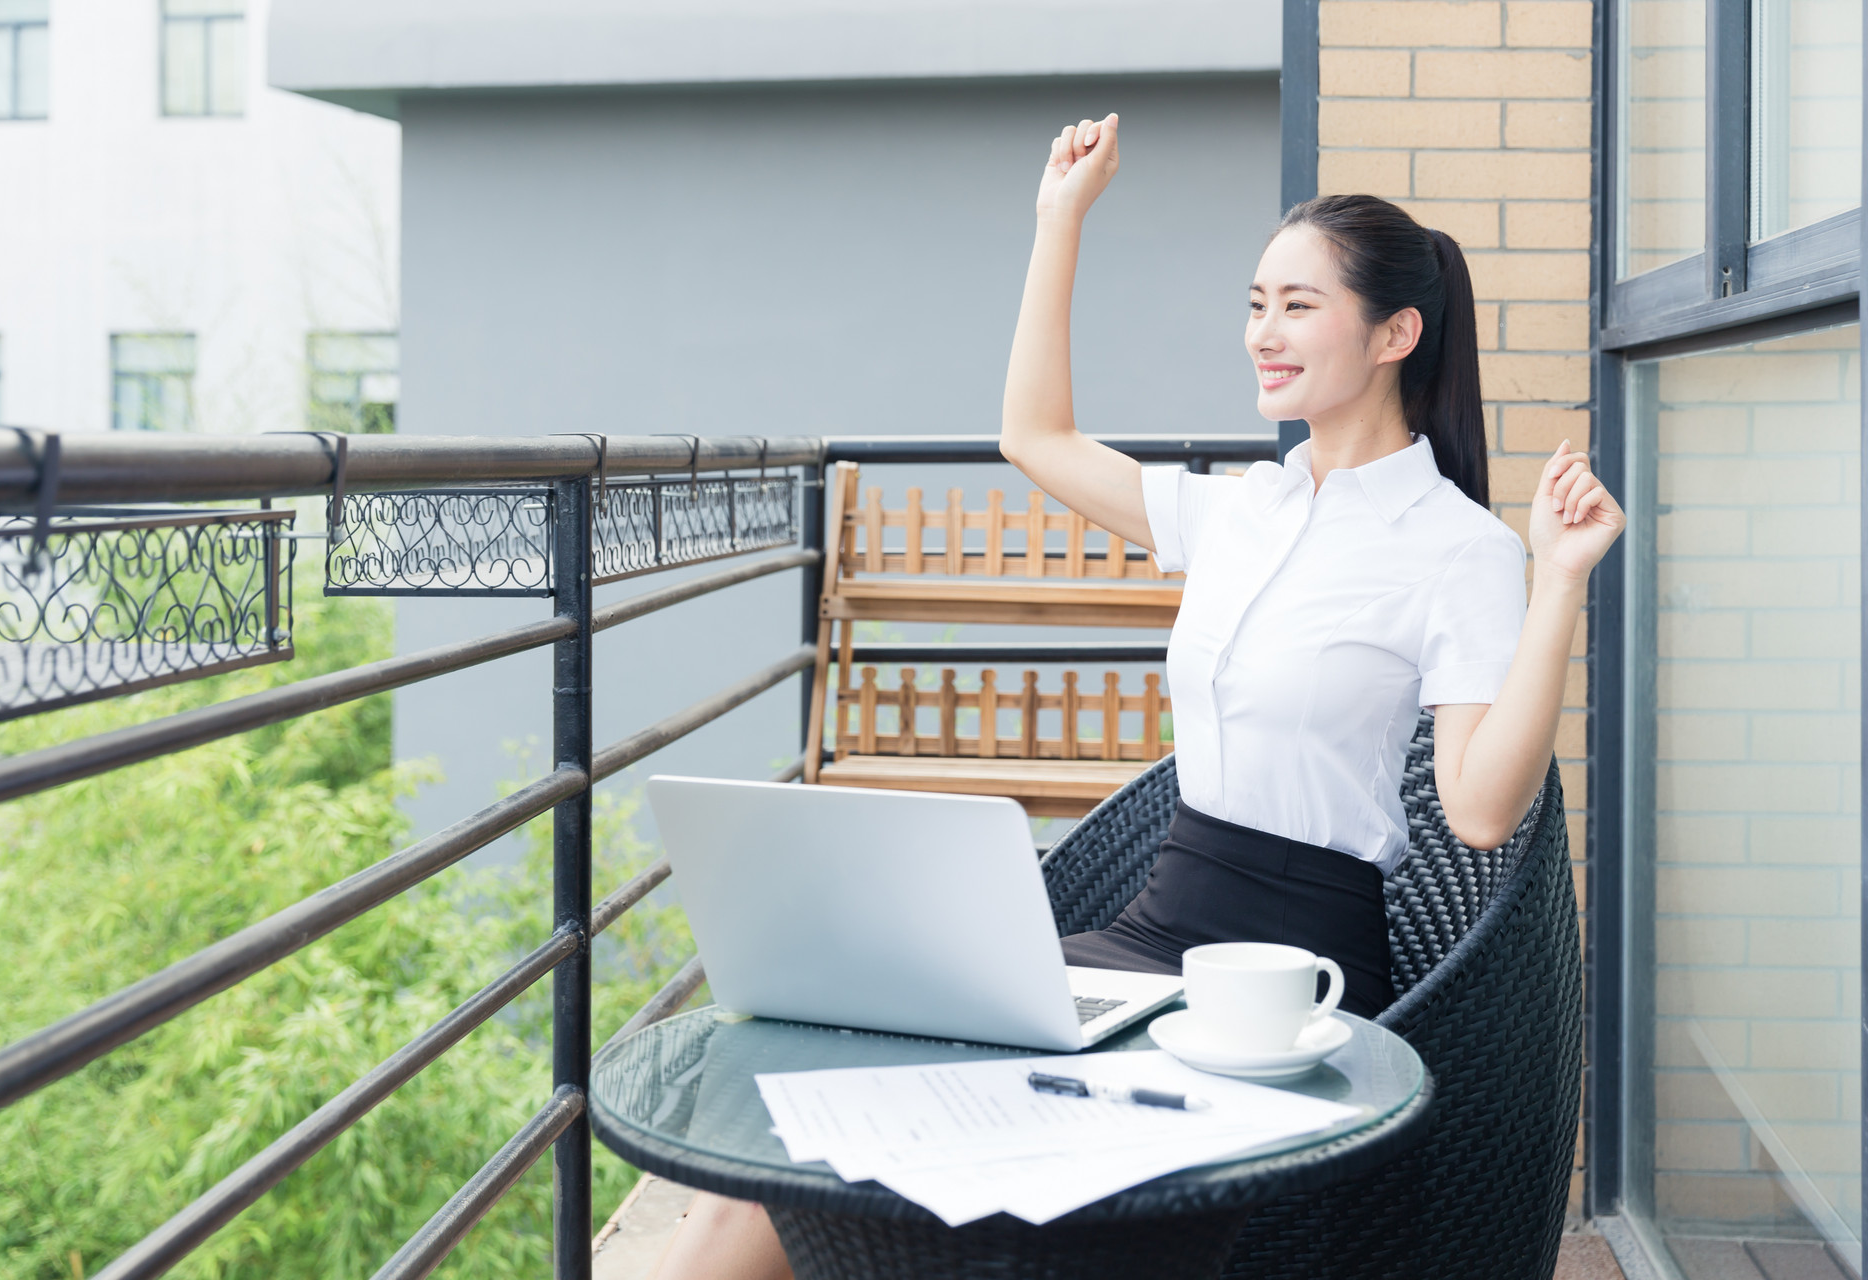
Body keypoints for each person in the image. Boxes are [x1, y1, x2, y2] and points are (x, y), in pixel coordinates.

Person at [645, 111, 1622, 1280]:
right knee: (783, 1153)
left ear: (1395, 331)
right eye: (1256, 301)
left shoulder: (1455, 545)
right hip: (1152, 927)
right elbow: (1034, 436)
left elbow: (1476, 809)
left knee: (872, 1155)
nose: (1263, 331)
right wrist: (1061, 218)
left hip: (1284, 977)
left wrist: (1557, 583)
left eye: (1298, 305)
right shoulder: (1243, 509)